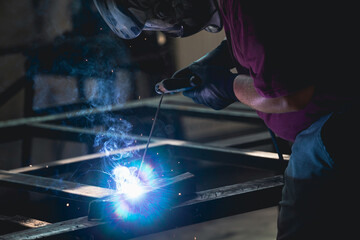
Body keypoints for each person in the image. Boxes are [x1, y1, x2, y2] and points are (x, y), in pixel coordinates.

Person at [94, 0, 359, 239]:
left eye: (159, 17)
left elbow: (290, 97)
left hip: (337, 125)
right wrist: (221, 56)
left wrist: (227, 85)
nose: (167, 26)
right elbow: (274, 43)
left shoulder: (244, 8)